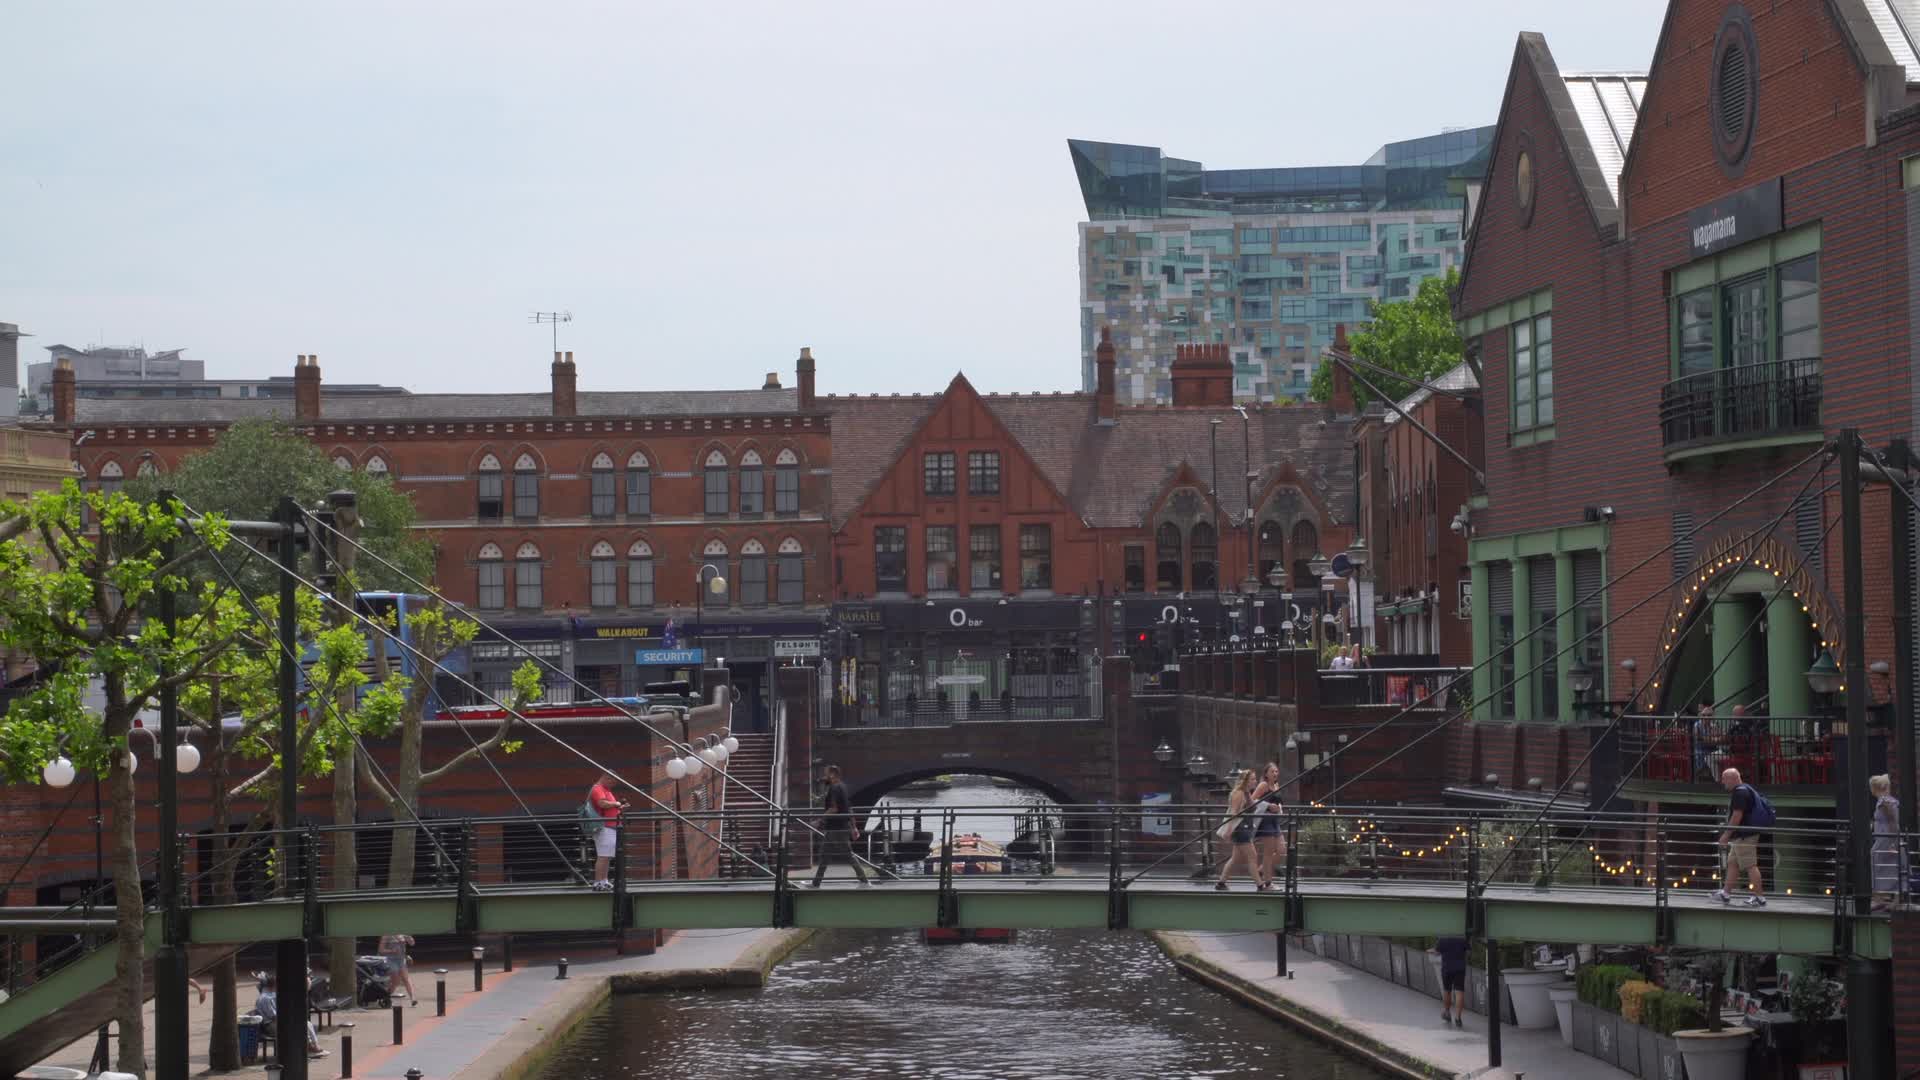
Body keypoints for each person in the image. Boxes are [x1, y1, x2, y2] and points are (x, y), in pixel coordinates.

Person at [806, 765, 874, 887]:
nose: (824, 777)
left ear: (832, 774)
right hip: (838, 826)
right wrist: (854, 826)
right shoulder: (843, 786)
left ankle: (865, 881)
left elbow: (834, 808)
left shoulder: (834, 788)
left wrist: (819, 820)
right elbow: (848, 807)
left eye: (826, 774)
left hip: (836, 827)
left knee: (848, 855)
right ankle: (816, 883)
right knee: (825, 856)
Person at [1711, 767, 1767, 907]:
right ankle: (1725, 894)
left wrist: (1726, 835)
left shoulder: (1739, 793)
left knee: (1750, 865)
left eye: (1724, 778)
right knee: (1733, 863)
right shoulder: (1745, 789)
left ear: (1733, 778)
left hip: (1744, 835)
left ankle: (1759, 898)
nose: (1722, 781)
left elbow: (1737, 816)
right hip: (1744, 835)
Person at [252, 973, 326, 1058]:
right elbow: (274, 1017)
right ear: (275, 985)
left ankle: (313, 1046)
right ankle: (309, 1048)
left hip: (278, 1022)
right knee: (299, 1026)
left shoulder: (271, 995)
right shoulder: (265, 999)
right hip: (271, 1025)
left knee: (306, 1023)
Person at [1215, 769, 1259, 892]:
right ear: (1245, 781)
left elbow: (1252, 808)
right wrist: (1229, 831)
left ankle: (1221, 882)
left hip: (1244, 827)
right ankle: (1260, 885)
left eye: (1255, 779)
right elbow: (1233, 813)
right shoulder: (1238, 793)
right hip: (1240, 829)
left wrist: (1248, 794)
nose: (1255, 781)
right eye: (1252, 779)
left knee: (1235, 858)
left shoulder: (1245, 793)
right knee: (1252, 856)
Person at [588, 770, 628, 892]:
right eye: (612, 782)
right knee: (603, 856)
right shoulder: (598, 788)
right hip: (603, 827)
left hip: (609, 826)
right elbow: (602, 804)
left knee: (607, 856)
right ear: (607, 778)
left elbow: (609, 806)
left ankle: (604, 881)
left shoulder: (605, 790)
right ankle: (598, 882)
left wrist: (619, 807)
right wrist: (616, 803)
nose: (613, 785)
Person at [1870, 774, 1903, 911]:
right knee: (1893, 866)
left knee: (1878, 863)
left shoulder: (1884, 801)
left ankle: (1880, 898)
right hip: (1887, 838)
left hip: (1886, 838)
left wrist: (1893, 842)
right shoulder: (1888, 801)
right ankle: (1890, 899)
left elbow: (1891, 821)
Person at [1252, 761, 1286, 893]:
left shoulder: (1276, 785)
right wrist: (1268, 806)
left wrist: (1279, 809)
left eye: (1276, 771)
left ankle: (1261, 871)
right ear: (1266, 774)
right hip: (1265, 821)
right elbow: (1251, 800)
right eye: (1272, 771)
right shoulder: (1263, 785)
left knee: (1281, 850)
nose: (1275, 773)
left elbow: (1278, 802)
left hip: (1275, 820)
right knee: (1268, 853)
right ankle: (1268, 883)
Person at [1433, 935, 1469, 1028]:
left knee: (1447, 990)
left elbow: (1437, 952)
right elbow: (1468, 951)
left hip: (1447, 968)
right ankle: (1458, 1018)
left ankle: (1447, 1013)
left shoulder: (1443, 938)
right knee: (1459, 992)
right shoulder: (1461, 937)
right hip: (1460, 968)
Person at [378, 932, 415, 1002]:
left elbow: (412, 943)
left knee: (405, 979)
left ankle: (413, 999)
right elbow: (381, 950)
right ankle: (386, 995)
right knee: (396, 981)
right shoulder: (386, 936)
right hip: (391, 960)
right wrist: (392, 951)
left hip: (401, 959)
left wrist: (409, 938)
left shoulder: (403, 934)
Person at [1693, 704, 1720, 781]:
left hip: (1713, 749)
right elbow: (1698, 739)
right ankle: (1705, 776)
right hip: (1701, 749)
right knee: (1702, 755)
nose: (1706, 717)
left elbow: (1718, 736)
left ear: (1712, 716)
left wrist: (1711, 739)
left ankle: (1716, 778)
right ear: (1701, 716)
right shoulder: (1697, 725)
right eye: (1704, 715)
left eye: (1709, 715)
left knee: (1719, 755)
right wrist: (1711, 739)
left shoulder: (1714, 725)